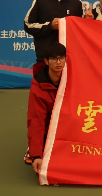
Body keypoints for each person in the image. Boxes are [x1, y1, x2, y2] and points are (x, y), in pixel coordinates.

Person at [24, 0, 83, 76]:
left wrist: (88, 20)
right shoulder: (41, 0)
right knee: (43, 87)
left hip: (69, 59)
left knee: (69, 88)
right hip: (45, 59)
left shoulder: (76, 3)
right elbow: (28, 25)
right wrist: (50, 26)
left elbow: (82, 32)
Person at [26, 42, 66, 174]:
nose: (58, 62)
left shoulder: (72, 80)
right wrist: (37, 155)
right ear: (46, 61)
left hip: (68, 129)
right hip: (49, 132)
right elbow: (36, 121)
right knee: (49, 166)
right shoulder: (38, 88)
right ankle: (34, 150)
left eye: (61, 58)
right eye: (54, 58)